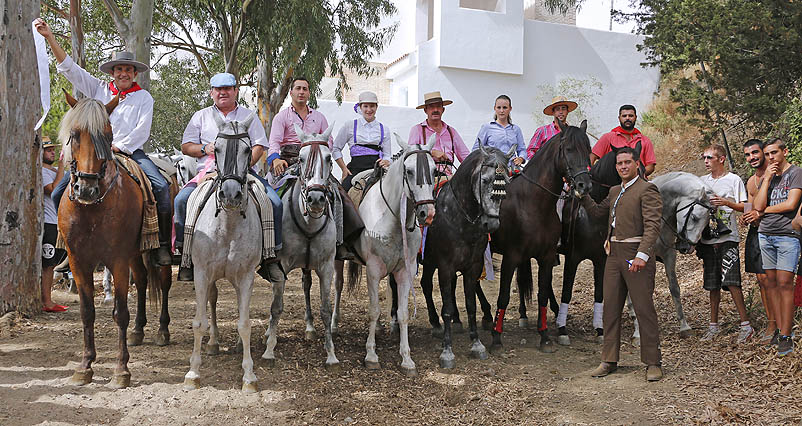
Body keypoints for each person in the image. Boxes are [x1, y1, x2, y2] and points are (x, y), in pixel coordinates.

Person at [35, 19, 173, 266]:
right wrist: (50, 38)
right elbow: (69, 68)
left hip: (129, 153)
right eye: (119, 69)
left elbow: (143, 131)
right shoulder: (98, 89)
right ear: (113, 72)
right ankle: (67, 243)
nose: (123, 74)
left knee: (161, 187)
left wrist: (121, 147)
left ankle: (160, 245)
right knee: (57, 192)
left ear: (135, 74)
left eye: (128, 70)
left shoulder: (144, 98)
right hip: (95, 154)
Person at [175, 72, 283, 281]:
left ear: (235, 91)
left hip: (243, 172)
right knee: (181, 200)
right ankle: (185, 257)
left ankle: (271, 257)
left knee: (274, 202)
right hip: (208, 172)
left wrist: (244, 165)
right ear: (211, 93)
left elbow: (259, 145)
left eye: (227, 88)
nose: (223, 92)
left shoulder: (247, 115)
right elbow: (186, 146)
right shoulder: (201, 116)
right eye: (218, 89)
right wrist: (204, 148)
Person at [582, 147, 664, 381]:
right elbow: (598, 213)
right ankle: (608, 359)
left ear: (636, 164)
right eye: (619, 163)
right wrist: (583, 196)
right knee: (611, 308)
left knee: (643, 308)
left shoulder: (647, 189)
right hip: (613, 255)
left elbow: (652, 227)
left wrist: (642, 255)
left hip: (635, 253)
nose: (623, 167)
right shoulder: (615, 190)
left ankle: (652, 362)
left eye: (628, 162)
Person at [268, 76, 363, 261]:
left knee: (339, 194)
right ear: (291, 92)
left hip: (317, 161)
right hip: (288, 161)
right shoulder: (282, 117)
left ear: (309, 93)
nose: (301, 92)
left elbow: (329, 143)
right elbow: (273, 142)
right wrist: (275, 160)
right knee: (270, 197)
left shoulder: (319, 117)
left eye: (305, 88)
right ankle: (270, 246)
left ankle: (341, 243)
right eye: (298, 88)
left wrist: (333, 163)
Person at [696, 144, 752, 343]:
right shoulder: (702, 181)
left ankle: (745, 325)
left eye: (710, 157)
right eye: (704, 157)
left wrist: (726, 203)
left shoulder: (733, 180)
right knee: (712, 284)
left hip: (728, 238)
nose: (706, 161)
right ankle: (713, 326)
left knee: (732, 281)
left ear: (721, 159)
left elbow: (746, 206)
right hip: (707, 239)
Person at [754, 138, 802, 356]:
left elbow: (791, 204)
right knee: (771, 283)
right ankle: (777, 330)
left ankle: (786, 334)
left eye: (774, 152)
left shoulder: (796, 173)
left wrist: (763, 212)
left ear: (785, 151)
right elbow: (757, 204)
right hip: (766, 234)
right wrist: (766, 180)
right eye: (767, 154)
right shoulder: (769, 176)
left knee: (785, 284)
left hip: (786, 235)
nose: (771, 157)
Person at [739, 139, 774, 342]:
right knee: (761, 280)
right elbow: (748, 205)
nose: (751, 157)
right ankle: (771, 323)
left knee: (775, 280)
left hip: (775, 231)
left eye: (755, 153)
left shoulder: (776, 175)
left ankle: (780, 324)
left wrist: (758, 214)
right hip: (756, 233)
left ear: (763, 152)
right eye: (747, 155)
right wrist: (745, 215)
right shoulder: (751, 181)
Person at [333, 91, 391, 191]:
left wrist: (386, 161)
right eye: (365, 106)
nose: (369, 110)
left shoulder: (384, 129)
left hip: (376, 171)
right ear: (360, 107)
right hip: (355, 170)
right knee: (342, 194)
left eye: (372, 106)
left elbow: (387, 155)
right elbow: (336, 149)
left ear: (376, 107)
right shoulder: (349, 125)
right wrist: (343, 168)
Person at [408, 91, 470, 178]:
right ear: (425, 110)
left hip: (448, 178)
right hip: (425, 178)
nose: (435, 110)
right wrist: (432, 152)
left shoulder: (451, 131)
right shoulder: (417, 130)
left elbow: (466, 157)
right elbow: (410, 153)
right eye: (431, 107)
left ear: (443, 110)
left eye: (438, 106)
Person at [41, 137, 68, 313]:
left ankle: (47, 299)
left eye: (53, 149)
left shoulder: (57, 171)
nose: (52, 152)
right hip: (48, 222)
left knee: (52, 263)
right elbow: (54, 190)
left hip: (57, 223)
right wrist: (61, 167)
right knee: (47, 264)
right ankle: (47, 302)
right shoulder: (41, 172)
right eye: (48, 150)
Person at [590, 105, 657, 177]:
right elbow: (592, 157)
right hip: (611, 184)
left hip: (638, 182)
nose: (627, 118)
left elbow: (650, 166)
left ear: (635, 117)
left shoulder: (645, 140)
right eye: (624, 116)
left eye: (631, 116)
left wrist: (634, 176)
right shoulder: (608, 137)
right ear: (619, 118)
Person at [472, 95, 526, 167]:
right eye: (499, 107)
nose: (501, 111)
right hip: (492, 169)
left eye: (505, 107)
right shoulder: (487, 128)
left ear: (510, 109)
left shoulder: (516, 129)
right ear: (495, 108)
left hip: (511, 169)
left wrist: (521, 158)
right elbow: (476, 149)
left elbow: (522, 149)